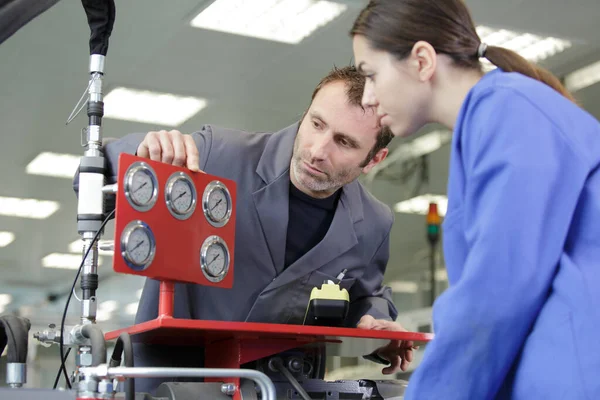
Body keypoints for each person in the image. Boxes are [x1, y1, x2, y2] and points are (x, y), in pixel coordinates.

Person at [92, 66, 415, 393]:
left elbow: (365, 297)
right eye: (316, 124)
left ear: (374, 160)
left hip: (282, 385)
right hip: (175, 383)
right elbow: (96, 171)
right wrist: (145, 152)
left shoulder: (374, 222)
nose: (317, 150)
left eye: (343, 142)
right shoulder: (217, 155)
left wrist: (375, 325)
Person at [350, 0, 600, 399]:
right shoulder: (490, 120)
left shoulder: (509, 110)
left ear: (421, 61)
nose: (368, 97)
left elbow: (497, 291)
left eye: (372, 75)